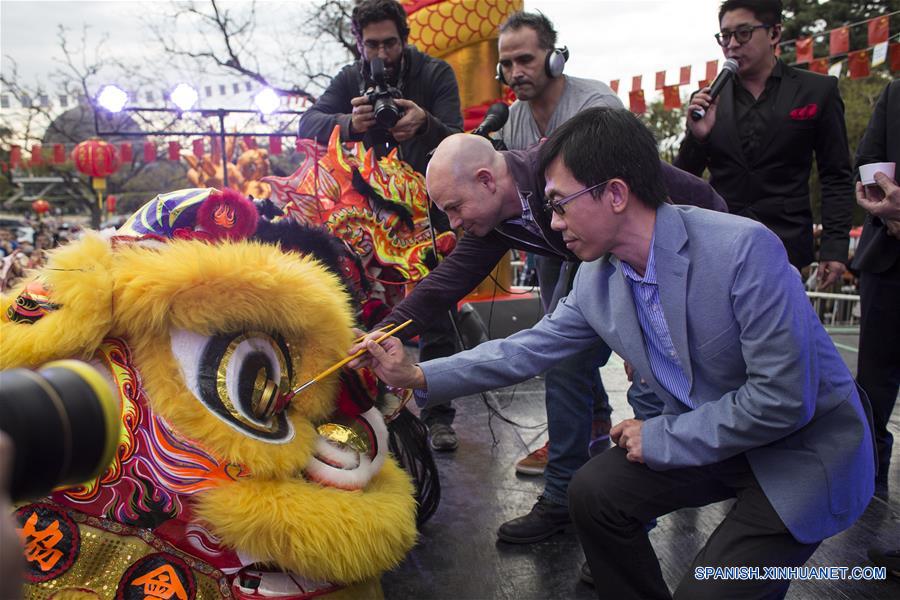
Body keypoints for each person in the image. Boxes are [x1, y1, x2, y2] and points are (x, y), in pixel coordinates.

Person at [352, 107, 875, 599]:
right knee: (595, 491)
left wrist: (664, 433)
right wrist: (416, 374)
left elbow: (783, 401)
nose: (551, 224)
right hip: (716, 441)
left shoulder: (743, 250)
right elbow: (526, 350)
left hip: (799, 449)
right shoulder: (598, 281)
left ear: (616, 194)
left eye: (558, 204)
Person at [370, 130, 726, 545]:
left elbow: (698, 200)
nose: (453, 224)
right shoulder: (509, 225)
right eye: (551, 209)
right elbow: (462, 294)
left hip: (674, 276)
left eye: (454, 207)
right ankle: (564, 499)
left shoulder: (568, 160)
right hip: (607, 273)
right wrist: (382, 334)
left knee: (651, 389)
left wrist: (661, 313)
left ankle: (636, 522)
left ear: (487, 180)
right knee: (562, 363)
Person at [297, 0, 464, 450]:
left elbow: (463, 138)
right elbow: (306, 122)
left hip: (426, 210)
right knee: (358, 310)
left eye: (390, 42)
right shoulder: (351, 78)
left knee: (435, 314)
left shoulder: (433, 74)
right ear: (358, 43)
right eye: (372, 44)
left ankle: (439, 414)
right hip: (364, 217)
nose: (383, 53)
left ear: (405, 39)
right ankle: (364, 405)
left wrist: (425, 124)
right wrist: (348, 123)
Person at [494, 12, 624, 504]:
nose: (516, 72)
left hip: (609, 251)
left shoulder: (596, 104)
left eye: (525, 59)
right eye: (507, 63)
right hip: (554, 248)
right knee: (565, 350)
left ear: (553, 56)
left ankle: (564, 489)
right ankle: (590, 427)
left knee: (565, 357)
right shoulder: (513, 120)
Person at [675, 0, 854, 288]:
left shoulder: (817, 90)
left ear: (774, 33)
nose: (731, 44)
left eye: (743, 33)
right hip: (720, 241)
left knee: (781, 331)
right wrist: (698, 136)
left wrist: (834, 248)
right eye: (725, 36)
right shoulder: (709, 99)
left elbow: (836, 176)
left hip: (785, 244)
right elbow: (682, 179)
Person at [852, 79, 900, 579]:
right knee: (872, 384)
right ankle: (866, 474)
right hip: (888, 258)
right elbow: (868, 164)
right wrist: (885, 205)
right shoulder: (895, 93)